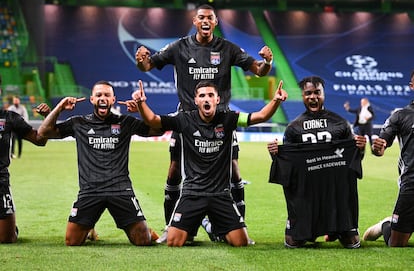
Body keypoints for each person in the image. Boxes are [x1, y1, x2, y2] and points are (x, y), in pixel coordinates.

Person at [135, 4, 274, 243]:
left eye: (210, 17)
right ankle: (174, 226)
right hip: (187, 120)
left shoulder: (227, 48)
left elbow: (259, 71)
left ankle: (233, 225)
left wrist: (267, 62)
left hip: (222, 120)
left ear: (216, 22)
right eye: (201, 17)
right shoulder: (179, 47)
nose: (205, 21)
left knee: (233, 170)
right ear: (195, 21)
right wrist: (141, 60)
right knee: (174, 170)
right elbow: (147, 66)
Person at [129, 79, 287, 247]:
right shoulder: (184, 119)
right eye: (202, 95)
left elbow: (260, 116)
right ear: (196, 100)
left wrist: (276, 100)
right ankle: (200, 221)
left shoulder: (229, 118)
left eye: (211, 95)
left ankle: (211, 225)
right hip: (192, 194)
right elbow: (153, 120)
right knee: (174, 242)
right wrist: (140, 103)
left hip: (221, 194)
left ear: (217, 99)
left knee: (240, 242)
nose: (206, 99)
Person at [38, 80, 161, 246]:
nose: (103, 98)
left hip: (120, 190)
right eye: (99, 95)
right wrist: (60, 106)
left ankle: (145, 230)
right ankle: (88, 226)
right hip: (90, 190)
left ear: (113, 100)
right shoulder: (78, 123)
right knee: (72, 241)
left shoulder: (125, 122)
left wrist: (140, 107)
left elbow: (157, 129)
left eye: (107, 95)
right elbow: (43, 132)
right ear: (92, 100)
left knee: (143, 241)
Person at [267, 76, 366, 249]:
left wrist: (361, 148)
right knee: (293, 243)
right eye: (308, 93)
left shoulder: (340, 123)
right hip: (307, 190)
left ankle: (337, 227)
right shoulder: (293, 128)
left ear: (323, 94)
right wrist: (275, 154)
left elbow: (354, 159)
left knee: (352, 242)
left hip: (336, 191)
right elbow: (288, 165)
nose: (313, 97)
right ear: (302, 96)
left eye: (317, 92)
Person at [362, 70, 414, 247]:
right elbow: (382, 145)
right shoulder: (401, 115)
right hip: (411, 183)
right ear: (412, 85)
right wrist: (379, 147)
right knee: (397, 243)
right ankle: (386, 224)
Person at [0, 76, 50, 243]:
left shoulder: (9, 118)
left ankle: (10, 228)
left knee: (7, 239)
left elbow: (39, 140)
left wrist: (47, 118)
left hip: (0, 182)